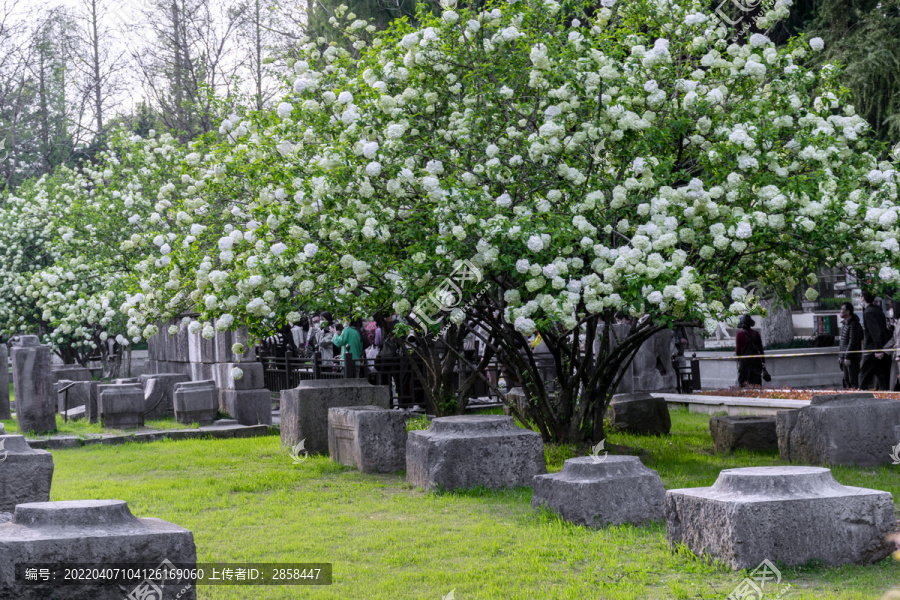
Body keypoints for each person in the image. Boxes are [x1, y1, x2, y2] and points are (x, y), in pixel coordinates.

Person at [859, 291, 891, 390]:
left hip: (873, 349)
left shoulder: (868, 312)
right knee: (881, 374)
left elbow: (875, 331)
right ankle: (885, 395)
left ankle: (861, 394)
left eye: (860, 296)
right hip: (879, 347)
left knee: (864, 374)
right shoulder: (877, 310)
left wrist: (878, 349)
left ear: (863, 298)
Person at [735, 315, 765, 387]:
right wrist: (763, 362)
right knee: (756, 384)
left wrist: (739, 359)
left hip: (744, 363)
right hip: (756, 362)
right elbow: (761, 349)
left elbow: (738, 350)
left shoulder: (739, 334)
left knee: (744, 383)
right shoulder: (756, 333)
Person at [838, 302, 862, 389]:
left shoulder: (854, 324)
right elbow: (843, 342)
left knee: (853, 379)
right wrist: (841, 356)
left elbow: (853, 341)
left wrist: (847, 356)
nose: (840, 311)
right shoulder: (844, 323)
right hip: (844, 356)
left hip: (851, 357)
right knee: (846, 379)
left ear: (848, 312)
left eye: (842, 309)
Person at [881, 300, 900, 390]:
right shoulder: (897, 322)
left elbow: (897, 339)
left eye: (891, 307)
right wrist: (883, 350)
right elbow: (894, 339)